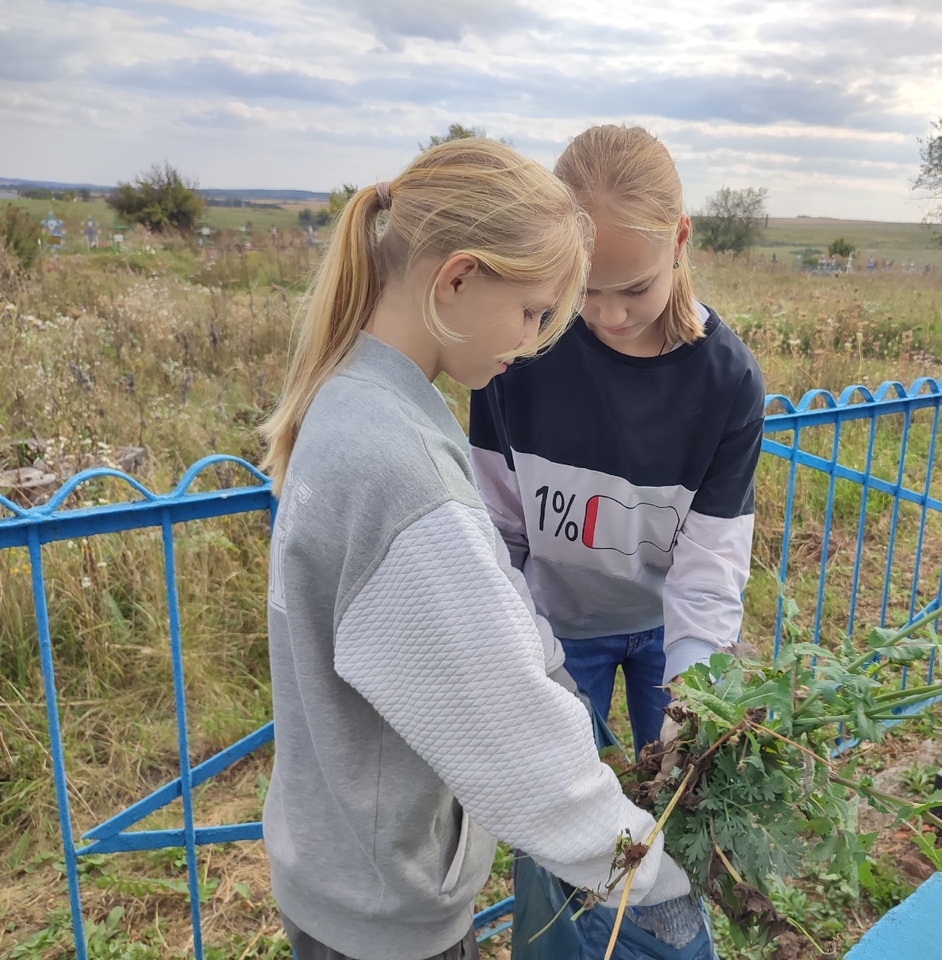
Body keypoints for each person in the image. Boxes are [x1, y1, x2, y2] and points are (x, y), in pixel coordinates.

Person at [258, 138, 691, 960]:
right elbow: (511, 734)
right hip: (386, 910)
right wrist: (645, 868)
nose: (532, 343)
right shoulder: (398, 469)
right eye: (533, 312)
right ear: (456, 279)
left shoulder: (354, 400)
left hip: (337, 868)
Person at [470, 124, 765, 751]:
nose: (609, 316)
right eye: (584, 288)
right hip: (556, 631)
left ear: (680, 239)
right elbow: (499, 534)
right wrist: (529, 656)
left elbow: (708, 566)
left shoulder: (728, 383)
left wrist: (693, 699)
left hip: (674, 630)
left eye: (634, 289)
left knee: (684, 814)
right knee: (556, 833)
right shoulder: (517, 354)